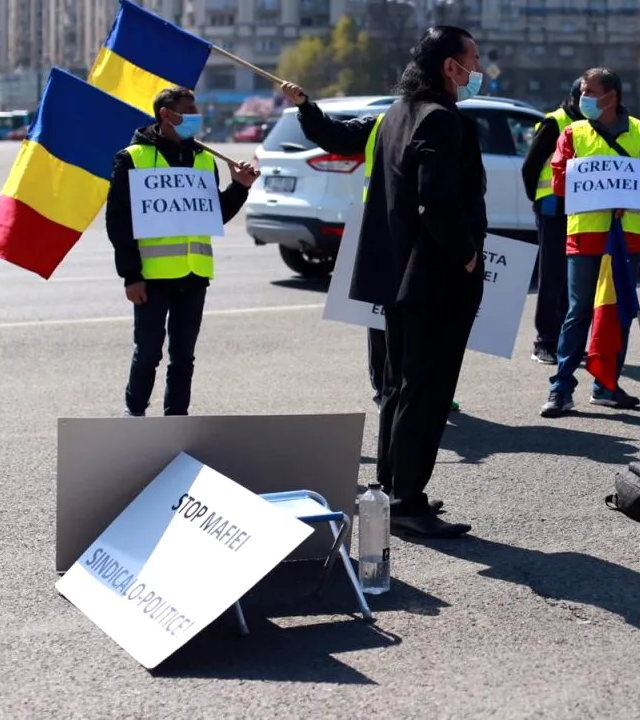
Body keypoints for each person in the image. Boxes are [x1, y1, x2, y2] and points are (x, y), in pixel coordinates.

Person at [349, 26, 487, 538]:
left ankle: (390, 490)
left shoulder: (396, 114)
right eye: (473, 59)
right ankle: (408, 499)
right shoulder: (439, 118)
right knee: (425, 391)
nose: (479, 69)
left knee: (399, 389)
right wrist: (467, 254)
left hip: (398, 277)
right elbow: (436, 201)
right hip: (434, 280)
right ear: (450, 68)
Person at [276, 81, 463, 416]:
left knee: (432, 319)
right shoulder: (382, 122)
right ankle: (387, 390)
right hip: (387, 232)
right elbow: (333, 135)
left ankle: (428, 386)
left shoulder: (445, 121)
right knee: (383, 322)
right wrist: (305, 106)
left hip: (428, 236)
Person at [105, 86, 259, 416]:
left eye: (195, 109)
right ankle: (134, 414)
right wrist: (131, 275)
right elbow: (119, 223)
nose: (195, 116)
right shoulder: (133, 158)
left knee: (184, 355)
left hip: (194, 274)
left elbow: (214, 213)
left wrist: (239, 187)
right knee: (148, 351)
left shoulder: (204, 159)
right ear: (166, 114)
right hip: (151, 277)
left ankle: (176, 419)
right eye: (188, 110)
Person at [540, 67, 640, 419]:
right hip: (585, 237)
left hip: (626, 239)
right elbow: (559, 181)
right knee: (578, 313)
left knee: (619, 313)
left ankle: (607, 385)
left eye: (588, 91)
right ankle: (560, 389)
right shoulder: (573, 133)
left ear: (610, 96)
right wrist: (602, 184)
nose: (581, 97)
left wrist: (626, 192)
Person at [519, 77, 583, 365]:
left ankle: (568, 341)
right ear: (573, 97)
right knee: (552, 275)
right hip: (553, 208)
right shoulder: (555, 122)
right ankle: (545, 341)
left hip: (582, 211)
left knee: (576, 279)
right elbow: (531, 165)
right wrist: (538, 198)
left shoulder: (593, 127)